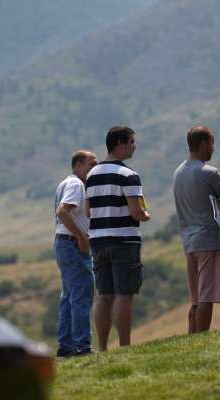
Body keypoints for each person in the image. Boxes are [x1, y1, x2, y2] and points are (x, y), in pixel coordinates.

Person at [86, 126, 151, 351]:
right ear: (120, 144)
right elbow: (136, 212)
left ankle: (102, 347)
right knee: (124, 295)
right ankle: (125, 346)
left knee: (104, 295)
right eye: (132, 142)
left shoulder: (91, 175)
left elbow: (88, 211)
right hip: (124, 240)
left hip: (98, 239)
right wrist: (146, 215)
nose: (135, 146)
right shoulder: (129, 175)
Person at [173, 126, 220, 333]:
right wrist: (219, 207)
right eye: (211, 144)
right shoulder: (209, 173)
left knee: (195, 298)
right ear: (202, 145)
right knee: (206, 297)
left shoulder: (178, 173)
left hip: (188, 241)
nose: (213, 148)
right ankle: (201, 338)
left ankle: (192, 337)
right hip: (209, 239)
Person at [53, 150, 98, 358]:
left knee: (69, 296)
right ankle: (81, 346)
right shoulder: (76, 185)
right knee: (80, 295)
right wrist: (81, 237)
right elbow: (62, 211)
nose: (94, 168)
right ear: (78, 166)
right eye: (91, 164)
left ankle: (66, 346)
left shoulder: (64, 183)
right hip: (71, 244)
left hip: (63, 244)